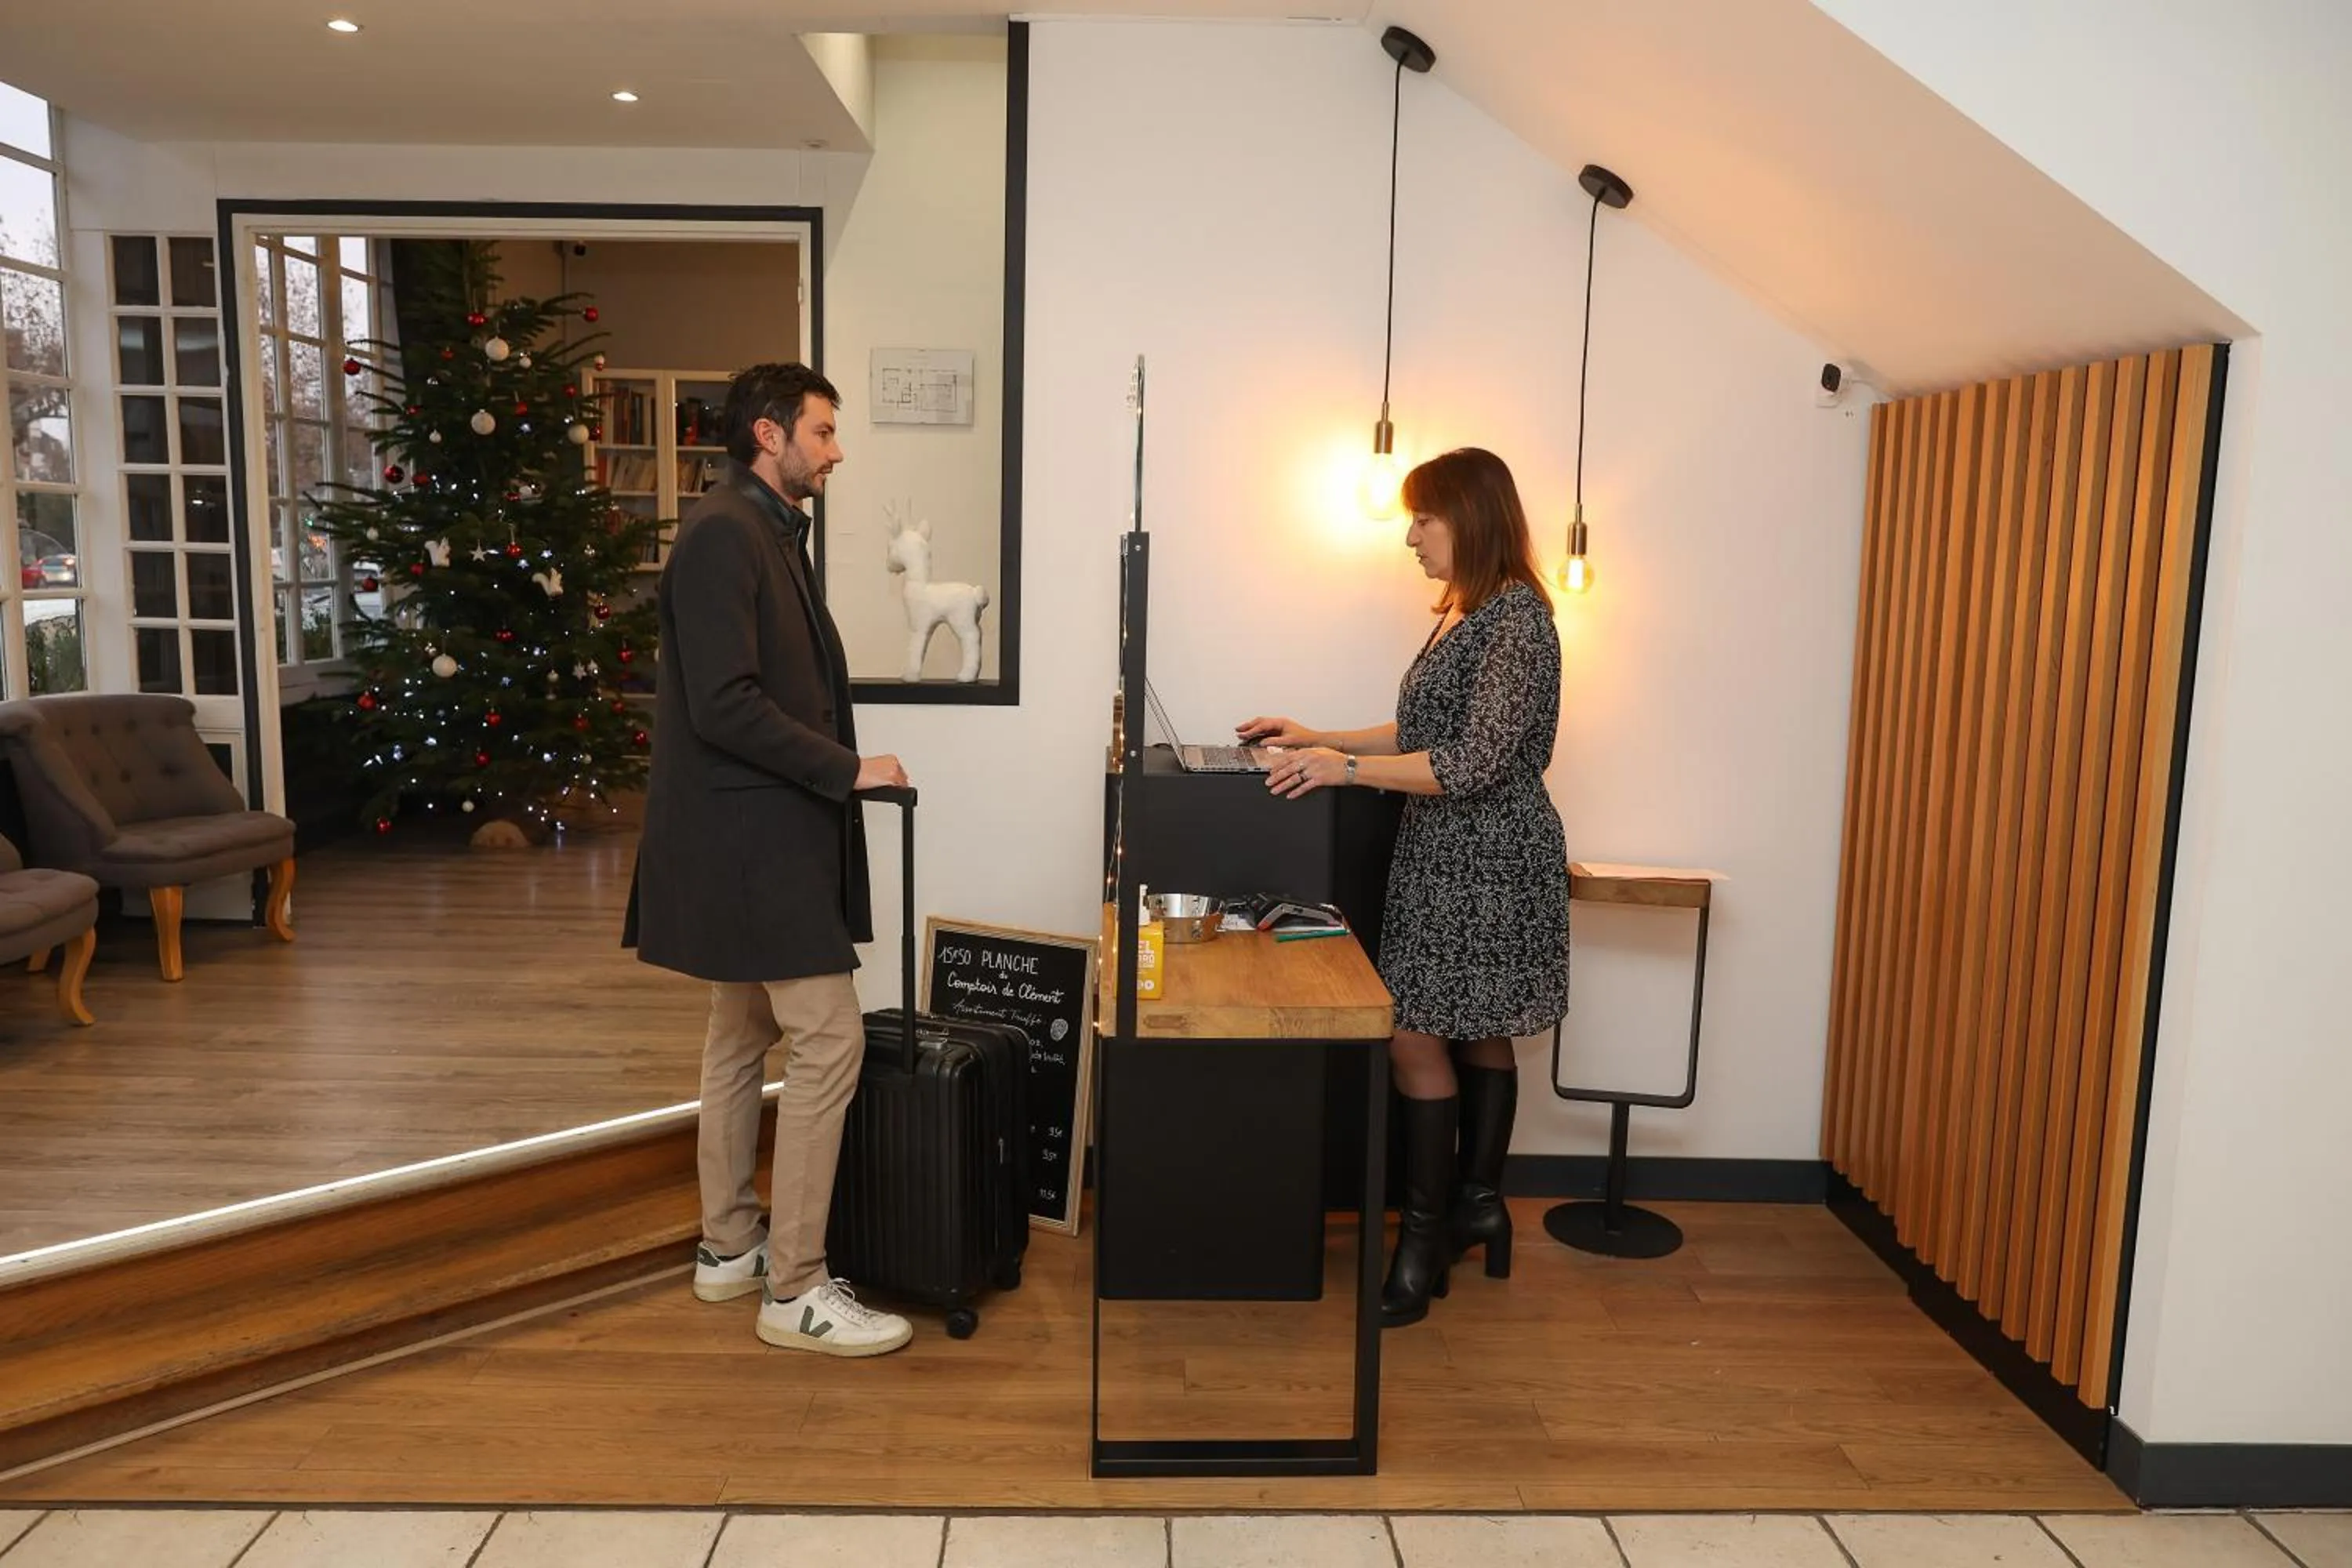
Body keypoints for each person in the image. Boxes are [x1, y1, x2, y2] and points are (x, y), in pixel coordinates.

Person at [1239, 446, 1569, 1328]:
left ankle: (1425, 1237)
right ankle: (1475, 1203)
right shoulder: (1469, 615)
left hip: (1489, 855)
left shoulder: (1519, 623)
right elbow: (1420, 728)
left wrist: (1341, 767)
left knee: (1417, 1035)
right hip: (1450, 848)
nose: (1412, 536)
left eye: (1424, 518)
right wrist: (1321, 733)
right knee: (1472, 1030)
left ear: (1472, 516)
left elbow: (1471, 761)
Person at [624, 362, 915, 1358]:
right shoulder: (723, 534)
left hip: (753, 835)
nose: (836, 451)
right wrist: (849, 768)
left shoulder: (759, 529)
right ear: (767, 433)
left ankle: (728, 1246)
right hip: (755, 841)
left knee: (739, 1032)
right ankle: (793, 1286)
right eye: (823, 432)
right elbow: (726, 704)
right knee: (830, 1041)